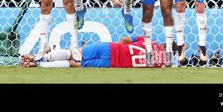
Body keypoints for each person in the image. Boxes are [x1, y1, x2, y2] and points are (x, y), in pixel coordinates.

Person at [21, 36, 175, 68]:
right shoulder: (159, 64)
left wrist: (117, 46)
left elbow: (125, 39)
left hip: (110, 48)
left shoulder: (151, 41)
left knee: (73, 53)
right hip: (112, 63)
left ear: (163, 44)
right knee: (74, 63)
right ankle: (37, 64)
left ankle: (38, 57)